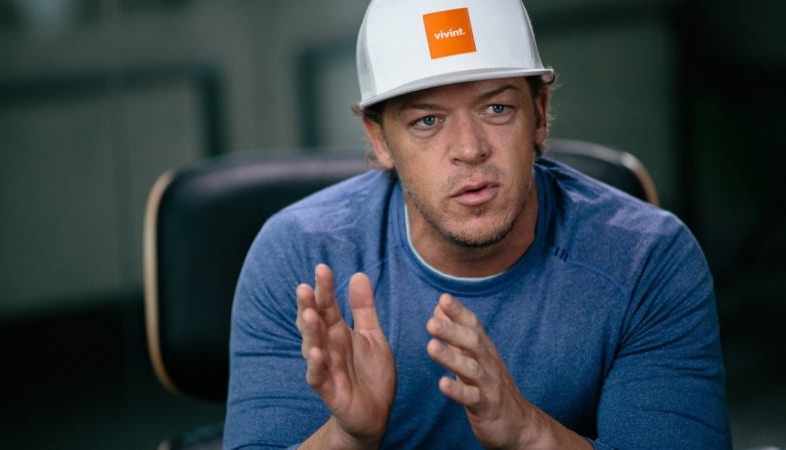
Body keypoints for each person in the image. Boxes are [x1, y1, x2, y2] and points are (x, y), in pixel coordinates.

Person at [224, 0, 731, 448]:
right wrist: (349, 437)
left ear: (540, 113)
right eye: (427, 120)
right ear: (380, 140)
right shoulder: (299, 254)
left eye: (496, 107)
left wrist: (529, 434)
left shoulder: (647, 258)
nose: (469, 149)